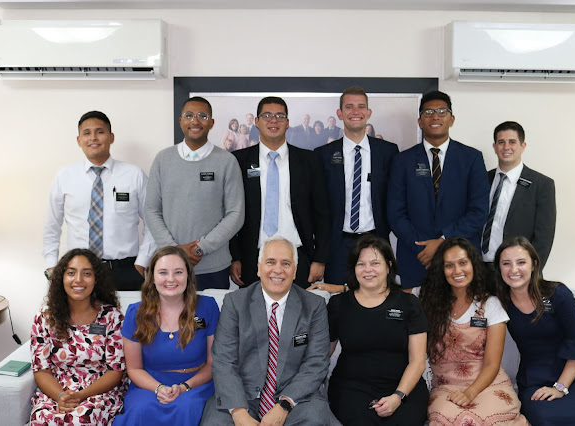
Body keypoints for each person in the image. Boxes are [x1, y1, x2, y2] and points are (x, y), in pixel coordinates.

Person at [201, 236, 332, 425]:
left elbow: (316, 363)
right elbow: (224, 361)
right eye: (271, 262)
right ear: (259, 268)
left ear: (295, 271)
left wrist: (284, 405)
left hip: (295, 398)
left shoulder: (314, 306)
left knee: (315, 417)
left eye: (285, 263)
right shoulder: (235, 303)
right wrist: (238, 412)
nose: (278, 270)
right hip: (243, 395)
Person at [495, 237, 575, 426]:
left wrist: (560, 388)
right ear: (499, 268)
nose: (514, 269)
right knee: (545, 420)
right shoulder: (499, 302)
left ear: (534, 265)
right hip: (535, 380)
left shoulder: (558, 294)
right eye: (506, 263)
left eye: (521, 262)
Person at [43, 111, 156, 291]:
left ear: (111, 137)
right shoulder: (64, 176)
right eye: (87, 133)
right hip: (78, 272)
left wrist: (141, 264)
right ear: (79, 140)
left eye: (100, 132)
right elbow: (52, 227)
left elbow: (153, 223)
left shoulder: (134, 175)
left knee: (127, 311)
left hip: (125, 271)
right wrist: (51, 267)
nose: (93, 138)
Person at [388, 90, 489, 290]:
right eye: (428, 112)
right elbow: (395, 213)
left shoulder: (472, 158)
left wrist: (443, 242)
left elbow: (479, 211)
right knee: (417, 310)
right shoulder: (402, 161)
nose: (435, 116)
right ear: (420, 121)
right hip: (417, 258)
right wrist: (423, 247)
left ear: (452, 119)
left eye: (442, 111)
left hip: (461, 259)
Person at [420, 237, 527, 425]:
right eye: (449, 265)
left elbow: (492, 364)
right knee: (446, 419)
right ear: (441, 270)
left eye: (463, 263)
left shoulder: (490, 304)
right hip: (446, 387)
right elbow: (390, 294)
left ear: (473, 265)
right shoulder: (428, 301)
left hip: (488, 384)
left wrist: (470, 393)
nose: (457, 271)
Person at [327, 235, 428, 425]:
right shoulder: (338, 305)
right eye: (361, 264)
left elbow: (418, 361)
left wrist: (398, 396)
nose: (368, 270)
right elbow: (323, 353)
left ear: (388, 266)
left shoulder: (409, 303)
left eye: (375, 263)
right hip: (351, 390)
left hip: (404, 387)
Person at [229, 97, 329, 289]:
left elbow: (322, 213)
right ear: (256, 121)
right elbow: (230, 211)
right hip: (252, 258)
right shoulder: (239, 161)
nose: (273, 120)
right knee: (253, 308)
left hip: (298, 257)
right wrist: (235, 257)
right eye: (266, 115)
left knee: (298, 308)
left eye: (280, 116)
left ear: (288, 122)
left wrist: (320, 259)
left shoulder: (308, 161)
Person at [145, 96, 245, 290]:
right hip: (169, 266)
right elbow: (151, 210)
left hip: (213, 268)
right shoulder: (163, 159)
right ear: (180, 121)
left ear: (212, 122)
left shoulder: (226, 161)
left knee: (211, 311)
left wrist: (201, 248)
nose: (195, 121)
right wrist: (174, 250)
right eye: (189, 116)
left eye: (202, 116)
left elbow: (236, 213)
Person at [113, 246, 220, 425]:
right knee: (141, 410)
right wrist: (159, 388)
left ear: (188, 276)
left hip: (195, 385)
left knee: (186, 407)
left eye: (178, 272)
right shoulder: (136, 313)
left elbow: (213, 363)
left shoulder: (207, 307)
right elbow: (134, 369)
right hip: (148, 385)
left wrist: (184, 387)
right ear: (152, 277)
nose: (171, 279)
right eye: (163, 272)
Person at [312, 86, 398, 290]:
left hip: (376, 241)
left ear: (369, 112)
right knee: (338, 300)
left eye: (361, 106)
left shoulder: (388, 152)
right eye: (349, 107)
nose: (355, 111)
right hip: (337, 245)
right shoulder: (323, 154)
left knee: (377, 297)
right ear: (340, 113)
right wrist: (320, 255)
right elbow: (318, 207)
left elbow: (395, 199)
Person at [30, 248, 125, 425]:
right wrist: (60, 396)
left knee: (79, 419)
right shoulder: (45, 317)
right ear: (61, 278)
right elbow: (42, 370)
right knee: (43, 419)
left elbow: (116, 371)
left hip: (98, 392)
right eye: (71, 273)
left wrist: (81, 396)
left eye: (87, 273)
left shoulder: (112, 317)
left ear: (96, 279)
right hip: (56, 391)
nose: (78, 280)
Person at [482, 122, 556, 276]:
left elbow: (544, 237)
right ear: (494, 147)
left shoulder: (541, 184)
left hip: (517, 273)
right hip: (481, 270)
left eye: (512, 142)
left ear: (523, 146)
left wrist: (530, 272)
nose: (506, 147)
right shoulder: (482, 179)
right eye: (501, 142)